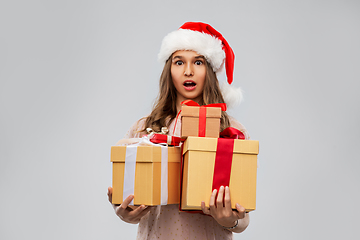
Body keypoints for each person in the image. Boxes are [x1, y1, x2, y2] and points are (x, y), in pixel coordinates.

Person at [107, 22, 251, 239]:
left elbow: (244, 217)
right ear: (169, 70)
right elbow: (130, 201)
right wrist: (125, 213)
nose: (188, 71)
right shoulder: (142, 128)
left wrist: (231, 220)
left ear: (209, 71)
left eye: (198, 62)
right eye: (179, 62)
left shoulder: (232, 131)